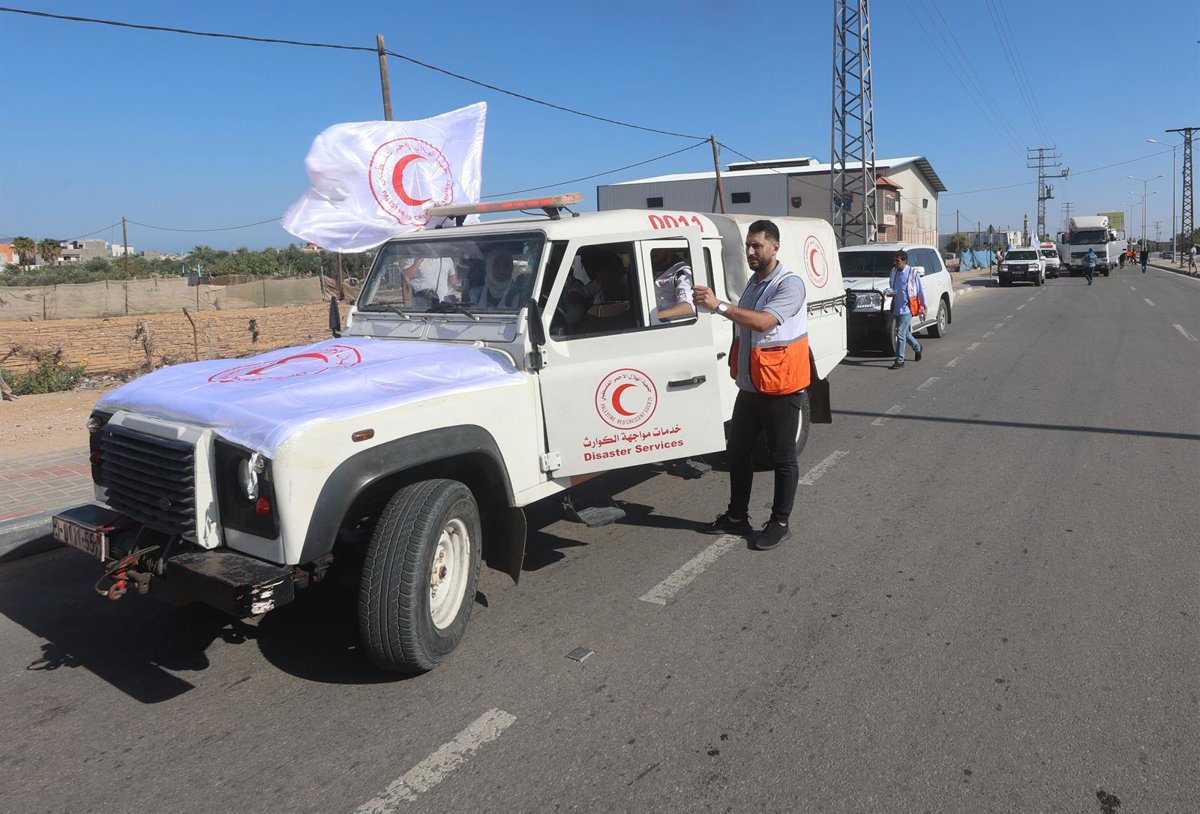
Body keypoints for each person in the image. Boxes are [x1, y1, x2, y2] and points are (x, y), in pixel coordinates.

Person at [694, 220, 808, 551]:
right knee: (738, 451)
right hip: (752, 386)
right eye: (748, 245)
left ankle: (780, 523)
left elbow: (763, 322)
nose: (750, 251)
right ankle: (736, 517)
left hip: (781, 386)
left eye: (757, 245)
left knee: (782, 457)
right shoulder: (754, 283)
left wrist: (719, 305)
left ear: (775, 246)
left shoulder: (789, 285)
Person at [884, 250, 926, 370]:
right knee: (905, 333)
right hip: (897, 307)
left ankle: (900, 360)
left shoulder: (912, 273)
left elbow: (920, 291)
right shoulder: (894, 272)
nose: (895, 263)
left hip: (908, 308)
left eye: (897, 261)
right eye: (894, 261)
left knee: (900, 333)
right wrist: (888, 292)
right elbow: (894, 289)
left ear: (904, 261)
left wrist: (923, 306)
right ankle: (917, 347)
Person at [649, 248, 695, 324]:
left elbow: (688, 307)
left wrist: (653, 317)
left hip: (672, 324)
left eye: (657, 250)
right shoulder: (653, 269)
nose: (653, 253)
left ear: (668, 250)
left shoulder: (681, 273)